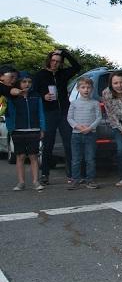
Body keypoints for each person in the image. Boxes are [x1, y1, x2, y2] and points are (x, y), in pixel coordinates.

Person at [33, 49, 82, 185]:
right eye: (53, 60)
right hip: (49, 112)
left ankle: (72, 174)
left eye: (58, 62)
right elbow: (33, 91)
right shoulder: (40, 75)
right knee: (48, 144)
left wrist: (64, 53)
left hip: (64, 113)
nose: (55, 63)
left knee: (68, 143)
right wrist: (43, 96)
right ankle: (45, 174)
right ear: (49, 60)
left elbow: (77, 67)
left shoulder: (63, 74)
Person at [7, 72, 46, 192]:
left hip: (34, 130)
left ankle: (35, 181)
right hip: (18, 130)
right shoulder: (12, 97)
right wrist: (10, 128)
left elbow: (41, 113)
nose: (27, 84)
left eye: (29, 82)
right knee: (20, 156)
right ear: (19, 83)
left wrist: (42, 128)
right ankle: (21, 182)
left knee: (33, 156)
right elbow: (8, 114)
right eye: (24, 82)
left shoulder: (36, 96)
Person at [67, 76, 102, 189]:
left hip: (90, 134)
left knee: (90, 159)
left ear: (92, 89)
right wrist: (77, 126)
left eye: (88, 87)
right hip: (76, 134)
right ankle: (75, 180)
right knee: (76, 159)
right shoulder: (74, 103)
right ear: (78, 89)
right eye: (83, 87)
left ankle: (90, 180)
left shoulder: (95, 103)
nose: (86, 90)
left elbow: (98, 118)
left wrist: (90, 128)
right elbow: (69, 118)